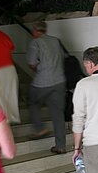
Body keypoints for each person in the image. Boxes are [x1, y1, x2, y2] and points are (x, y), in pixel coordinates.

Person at [26, 21, 67, 154]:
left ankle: (39, 128)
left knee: (32, 101)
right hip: (59, 81)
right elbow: (62, 57)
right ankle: (61, 146)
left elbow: (31, 62)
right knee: (57, 114)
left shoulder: (35, 42)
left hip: (42, 82)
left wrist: (38, 68)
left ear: (35, 30)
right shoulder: (56, 41)